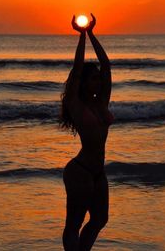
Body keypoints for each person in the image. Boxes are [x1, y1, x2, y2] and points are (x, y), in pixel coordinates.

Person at [59, 13, 114, 251]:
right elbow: (78, 69)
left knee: (100, 219)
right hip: (79, 171)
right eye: (94, 79)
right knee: (74, 224)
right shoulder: (76, 103)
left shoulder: (101, 102)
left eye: (99, 79)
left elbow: (107, 66)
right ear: (84, 83)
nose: (98, 82)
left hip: (98, 172)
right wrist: (81, 36)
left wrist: (92, 33)